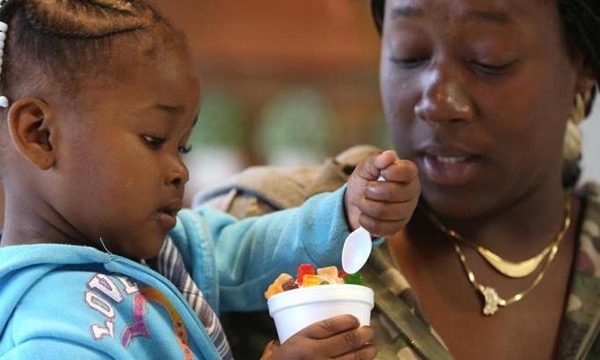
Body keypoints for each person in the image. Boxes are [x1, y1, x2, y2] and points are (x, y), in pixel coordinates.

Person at [0, 1, 422, 359]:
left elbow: (248, 251)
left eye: (181, 147)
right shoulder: (46, 328)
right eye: (154, 140)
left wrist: (347, 212)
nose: (179, 170)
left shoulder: (163, 250)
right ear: (40, 134)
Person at [197, 0, 600, 359]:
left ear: (583, 65)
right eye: (410, 54)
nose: (438, 103)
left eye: (487, 60)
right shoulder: (245, 237)